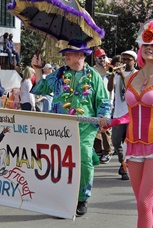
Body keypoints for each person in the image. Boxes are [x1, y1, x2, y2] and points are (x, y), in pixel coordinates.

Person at [101, 19, 153, 228]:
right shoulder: (131, 79)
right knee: (142, 201)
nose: (149, 49)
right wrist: (112, 122)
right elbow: (130, 114)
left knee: (144, 201)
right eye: (146, 45)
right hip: (134, 146)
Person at [31, 39, 111, 216]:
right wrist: (37, 69)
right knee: (60, 162)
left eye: (69, 52)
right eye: (66, 53)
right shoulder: (59, 74)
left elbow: (104, 101)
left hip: (85, 127)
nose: (65, 55)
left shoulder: (94, 76)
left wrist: (104, 117)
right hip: (60, 127)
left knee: (83, 158)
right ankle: (63, 198)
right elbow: (41, 88)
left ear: (81, 55)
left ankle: (82, 197)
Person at [107, 50, 138, 180]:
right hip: (119, 113)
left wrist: (123, 76)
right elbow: (109, 88)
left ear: (134, 61)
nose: (125, 61)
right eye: (123, 59)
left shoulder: (137, 74)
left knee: (129, 142)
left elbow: (131, 88)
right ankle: (123, 162)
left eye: (128, 59)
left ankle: (125, 166)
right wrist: (113, 75)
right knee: (115, 141)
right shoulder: (118, 73)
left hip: (132, 114)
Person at [93, 48, 114, 164]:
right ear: (96, 58)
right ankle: (98, 150)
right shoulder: (93, 70)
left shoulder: (109, 68)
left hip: (107, 101)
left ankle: (107, 151)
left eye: (103, 56)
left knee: (105, 127)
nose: (102, 59)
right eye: (100, 57)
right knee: (95, 126)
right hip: (96, 101)